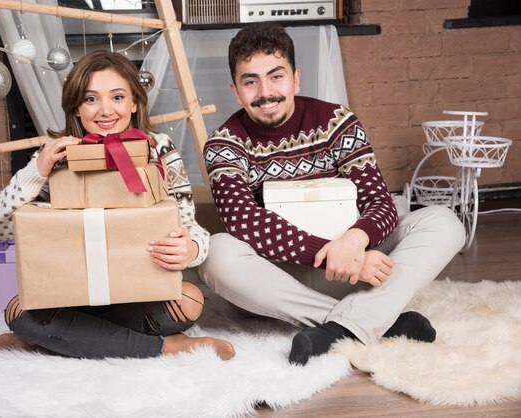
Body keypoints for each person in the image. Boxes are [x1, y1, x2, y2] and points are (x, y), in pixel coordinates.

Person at [198, 22, 465, 365]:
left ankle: (341, 325)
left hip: (351, 270)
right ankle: (372, 322)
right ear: (236, 91)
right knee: (215, 252)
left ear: (296, 78)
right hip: (278, 279)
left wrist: (353, 243)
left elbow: (380, 203)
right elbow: (245, 223)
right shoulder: (223, 144)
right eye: (251, 81)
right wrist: (331, 252)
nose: (266, 91)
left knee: (443, 222)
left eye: (276, 76)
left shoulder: (337, 122)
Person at [0, 50, 235, 361]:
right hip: (68, 294)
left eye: (117, 97)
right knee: (19, 310)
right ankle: (164, 347)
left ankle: (57, 340)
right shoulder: (56, 155)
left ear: (134, 103)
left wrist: (192, 248)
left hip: (137, 289)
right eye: (91, 99)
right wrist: (37, 171)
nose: (105, 110)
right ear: (76, 106)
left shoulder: (159, 150)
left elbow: (188, 224)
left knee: (190, 300)